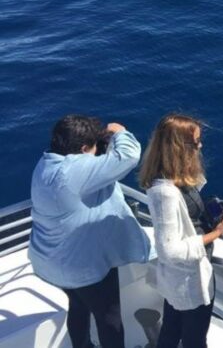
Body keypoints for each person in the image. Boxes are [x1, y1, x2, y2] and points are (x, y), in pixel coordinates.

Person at [29, 115, 152, 348]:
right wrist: (119, 132)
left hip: (51, 260)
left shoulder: (46, 164)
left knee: (78, 306)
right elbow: (129, 155)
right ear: (84, 148)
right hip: (82, 267)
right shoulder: (72, 172)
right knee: (110, 319)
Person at [138, 114, 223, 348]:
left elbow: (189, 209)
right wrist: (216, 232)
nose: (200, 146)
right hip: (188, 279)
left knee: (172, 328)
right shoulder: (165, 193)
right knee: (194, 339)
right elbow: (169, 250)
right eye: (195, 143)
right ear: (177, 147)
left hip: (182, 277)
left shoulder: (176, 179)